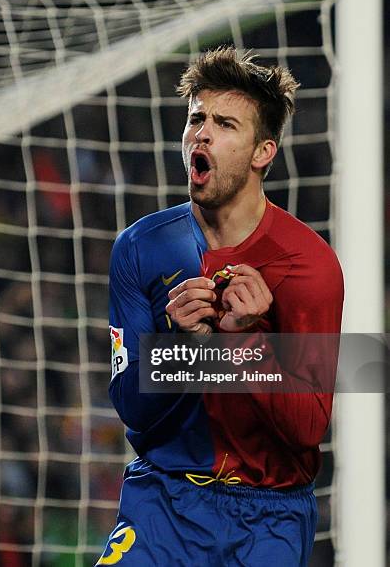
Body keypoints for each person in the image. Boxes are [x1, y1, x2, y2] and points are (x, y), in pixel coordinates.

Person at [96, 47, 343, 566]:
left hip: (268, 515)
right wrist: (181, 346)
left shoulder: (308, 265)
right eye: (196, 118)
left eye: (225, 123)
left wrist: (243, 338)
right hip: (163, 499)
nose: (201, 133)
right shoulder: (141, 249)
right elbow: (130, 406)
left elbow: (308, 428)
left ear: (262, 152)